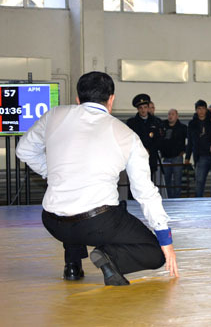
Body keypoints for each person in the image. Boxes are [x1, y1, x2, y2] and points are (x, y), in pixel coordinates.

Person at [15, 71, 178, 285]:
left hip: (53, 222)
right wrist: (165, 240)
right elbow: (144, 192)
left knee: (72, 202)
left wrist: (52, 172)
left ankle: (72, 265)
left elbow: (23, 150)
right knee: (154, 253)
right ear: (111, 100)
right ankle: (110, 257)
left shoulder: (54, 115)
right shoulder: (126, 135)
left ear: (77, 99)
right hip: (97, 224)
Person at [127, 94, 163, 181]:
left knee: (148, 183)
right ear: (138, 109)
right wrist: (141, 150)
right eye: (141, 108)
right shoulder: (132, 123)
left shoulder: (156, 122)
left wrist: (149, 150)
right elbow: (130, 140)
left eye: (145, 107)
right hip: (136, 158)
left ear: (148, 108)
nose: (143, 110)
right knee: (135, 182)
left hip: (150, 158)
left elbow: (158, 140)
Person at [186, 100, 211, 197]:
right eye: (199, 109)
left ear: (206, 110)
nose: (201, 111)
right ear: (196, 110)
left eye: (203, 109)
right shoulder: (192, 123)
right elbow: (190, 141)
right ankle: (198, 200)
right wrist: (187, 157)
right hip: (200, 155)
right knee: (199, 181)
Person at [161, 109, 187, 198]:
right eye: (169, 114)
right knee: (166, 180)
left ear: (177, 116)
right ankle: (168, 198)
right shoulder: (163, 126)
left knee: (177, 180)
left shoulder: (182, 128)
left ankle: (177, 198)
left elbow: (190, 140)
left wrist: (184, 150)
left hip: (177, 157)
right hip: (166, 157)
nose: (170, 116)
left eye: (172, 114)